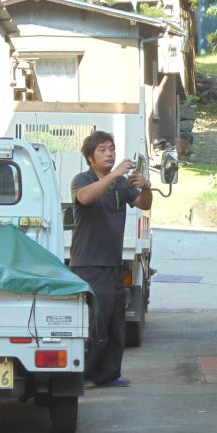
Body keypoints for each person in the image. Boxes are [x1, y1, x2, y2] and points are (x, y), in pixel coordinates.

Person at [71, 131, 153, 387]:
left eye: (112, 149)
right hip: (89, 263)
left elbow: (143, 204)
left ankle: (109, 374)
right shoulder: (82, 179)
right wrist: (115, 174)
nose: (109, 154)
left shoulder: (120, 185)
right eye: (102, 150)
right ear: (90, 157)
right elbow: (84, 197)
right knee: (95, 323)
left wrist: (146, 185)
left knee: (115, 321)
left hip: (113, 262)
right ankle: (85, 375)